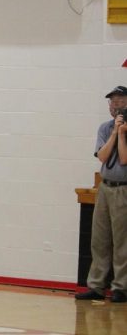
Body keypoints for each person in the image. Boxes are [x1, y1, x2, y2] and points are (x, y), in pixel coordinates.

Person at [76, 85, 127, 303]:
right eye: (112, 102)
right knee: (99, 239)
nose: (115, 106)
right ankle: (96, 286)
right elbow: (103, 157)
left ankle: (121, 287)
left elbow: (124, 159)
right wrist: (115, 132)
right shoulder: (105, 128)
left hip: (123, 188)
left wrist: (123, 136)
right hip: (105, 187)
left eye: (120, 101)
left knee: (122, 241)